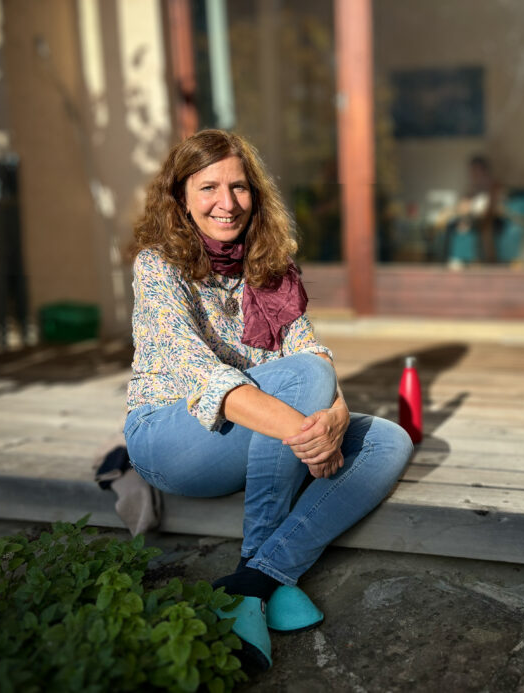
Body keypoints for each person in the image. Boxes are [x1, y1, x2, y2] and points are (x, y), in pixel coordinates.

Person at [123, 129, 413, 670]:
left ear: (256, 194)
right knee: (302, 379)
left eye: (239, 187)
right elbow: (206, 378)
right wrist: (309, 435)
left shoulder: (271, 266)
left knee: (386, 440)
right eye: (208, 187)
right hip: (172, 435)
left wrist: (335, 420)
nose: (226, 203)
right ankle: (257, 576)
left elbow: (314, 357)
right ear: (180, 195)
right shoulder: (157, 265)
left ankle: (256, 577)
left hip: (260, 433)